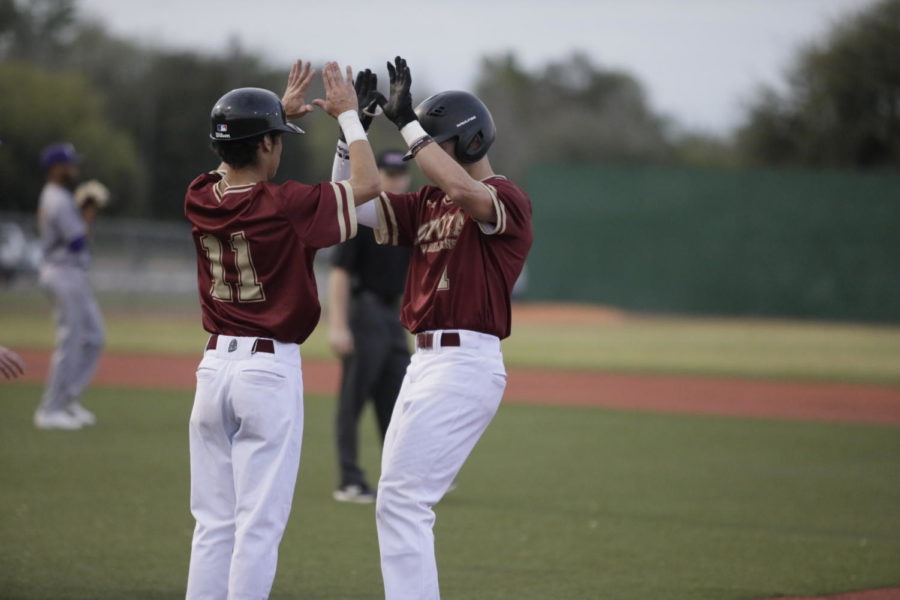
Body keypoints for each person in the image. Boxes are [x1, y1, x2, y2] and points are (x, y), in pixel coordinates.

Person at [182, 60, 381, 600]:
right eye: (278, 138)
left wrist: (272, 115)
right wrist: (349, 120)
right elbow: (367, 184)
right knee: (257, 527)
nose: (282, 147)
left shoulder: (199, 195)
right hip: (266, 372)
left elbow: (228, 162)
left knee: (213, 525)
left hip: (212, 369)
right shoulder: (286, 205)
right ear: (267, 145)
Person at [340, 56, 533, 600]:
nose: (422, 153)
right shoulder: (427, 202)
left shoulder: (507, 198)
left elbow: (471, 194)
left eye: (434, 141)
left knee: (403, 502)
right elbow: (354, 207)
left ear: (470, 144)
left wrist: (407, 127)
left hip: (464, 362)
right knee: (396, 502)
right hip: (424, 362)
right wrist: (350, 130)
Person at [328, 148, 412, 504]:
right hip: (364, 312)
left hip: (394, 316)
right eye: (388, 173)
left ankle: (403, 476)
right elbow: (340, 273)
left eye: (399, 172)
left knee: (398, 399)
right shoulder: (364, 216)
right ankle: (350, 479)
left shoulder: (407, 217)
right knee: (354, 400)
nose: (395, 178)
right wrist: (338, 325)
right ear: (378, 174)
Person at [34, 143, 106, 430]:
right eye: (69, 163)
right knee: (71, 340)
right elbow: (77, 240)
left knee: (95, 337)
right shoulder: (58, 199)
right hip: (62, 272)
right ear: (56, 169)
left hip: (70, 273)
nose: (74, 167)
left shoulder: (59, 197)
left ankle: (66, 400)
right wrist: (87, 213)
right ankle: (50, 410)